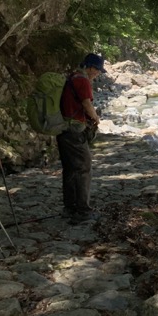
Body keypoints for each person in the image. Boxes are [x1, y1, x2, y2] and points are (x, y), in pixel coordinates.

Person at [58, 52, 104, 225]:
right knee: (84, 168)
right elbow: (86, 103)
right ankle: (83, 211)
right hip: (75, 130)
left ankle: (69, 208)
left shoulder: (72, 77)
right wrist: (96, 118)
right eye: (98, 70)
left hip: (64, 129)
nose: (98, 74)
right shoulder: (82, 80)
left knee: (70, 169)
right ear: (91, 67)